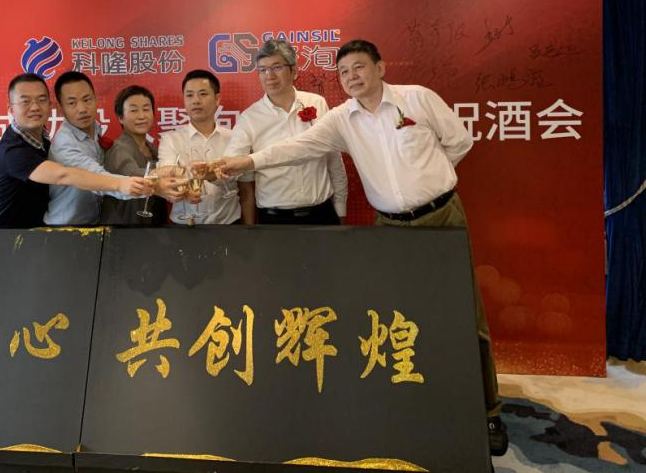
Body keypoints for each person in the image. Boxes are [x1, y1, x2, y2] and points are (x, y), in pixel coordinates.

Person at [216, 39, 508, 457]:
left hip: (442, 218)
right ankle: (414, 401)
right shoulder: (341, 119)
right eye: (344, 72)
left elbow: (459, 142)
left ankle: (488, 411)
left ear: (380, 67)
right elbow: (297, 147)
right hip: (388, 227)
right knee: (396, 316)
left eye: (359, 67)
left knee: (465, 315)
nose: (352, 77)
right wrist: (245, 163)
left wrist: (428, 181)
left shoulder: (417, 99)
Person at [0, 73, 150, 229]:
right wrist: (121, 184)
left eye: (41, 100)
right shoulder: (14, 150)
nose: (35, 107)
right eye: (25, 101)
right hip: (0, 230)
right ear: (11, 109)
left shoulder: (42, 138)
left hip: (33, 227)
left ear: (50, 105)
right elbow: (63, 175)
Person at [222, 39, 347, 224]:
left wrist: (341, 209)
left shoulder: (317, 103)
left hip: (322, 213)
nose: (269, 76)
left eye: (277, 67)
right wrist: (213, 171)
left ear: (294, 71)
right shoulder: (249, 117)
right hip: (275, 219)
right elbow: (232, 165)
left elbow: (334, 159)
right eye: (263, 70)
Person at [44, 71, 182, 225]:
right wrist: (155, 186)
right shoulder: (65, 144)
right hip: (66, 227)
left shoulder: (95, 131)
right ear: (60, 108)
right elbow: (98, 177)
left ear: (96, 98)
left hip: (94, 224)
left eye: (86, 99)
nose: (82, 108)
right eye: (72, 103)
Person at [158, 70, 241, 225]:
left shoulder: (234, 138)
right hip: (184, 226)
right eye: (189, 95)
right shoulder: (170, 140)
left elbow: (245, 186)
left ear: (217, 99)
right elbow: (166, 178)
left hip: (229, 224)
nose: (196, 101)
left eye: (203, 94)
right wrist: (183, 191)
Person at [100, 85, 169, 225]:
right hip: (124, 226)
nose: (141, 116)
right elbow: (134, 176)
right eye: (133, 110)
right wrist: (169, 170)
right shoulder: (119, 149)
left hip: (150, 225)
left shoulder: (152, 148)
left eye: (146, 109)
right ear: (121, 118)